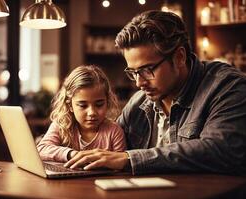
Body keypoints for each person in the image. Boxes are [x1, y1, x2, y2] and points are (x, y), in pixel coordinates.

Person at [64, 10, 246, 175]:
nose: (139, 82)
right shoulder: (138, 103)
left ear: (180, 57)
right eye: (133, 72)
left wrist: (129, 159)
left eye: (147, 70)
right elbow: (107, 147)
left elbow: (222, 150)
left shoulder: (227, 86)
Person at [37, 65, 126, 162]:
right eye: (83, 106)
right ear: (70, 105)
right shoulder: (61, 125)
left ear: (107, 102)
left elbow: (120, 164)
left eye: (99, 105)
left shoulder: (114, 132)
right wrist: (72, 154)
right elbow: (41, 149)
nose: (92, 113)